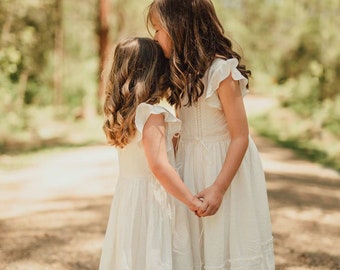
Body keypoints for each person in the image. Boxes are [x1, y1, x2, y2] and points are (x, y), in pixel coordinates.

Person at [147, 0, 275, 269]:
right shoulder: (182, 74)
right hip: (191, 167)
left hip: (225, 171)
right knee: (195, 247)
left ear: (179, 27)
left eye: (158, 29)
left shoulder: (221, 71)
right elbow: (186, 128)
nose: (155, 37)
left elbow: (240, 136)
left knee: (227, 242)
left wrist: (218, 188)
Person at [98, 37, 202, 270]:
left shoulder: (125, 115)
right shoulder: (152, 114)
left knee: (134, 254)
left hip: (129, 201)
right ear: (155, 73)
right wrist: (191, 200)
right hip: (152, 200)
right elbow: (159, 166)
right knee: (154, 253)